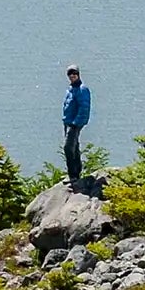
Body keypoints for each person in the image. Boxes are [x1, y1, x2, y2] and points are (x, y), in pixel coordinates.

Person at [61, 64, 93, 193]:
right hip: (68, 122)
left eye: (74, 73)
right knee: (74, 147)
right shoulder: (70, 89)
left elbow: (84, 108)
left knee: (68, 148)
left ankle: (73, 176)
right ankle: (76, 174)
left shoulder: (82, 89)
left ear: (78, 74)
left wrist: (76, 123)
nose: (72, 76)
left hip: (74, 124)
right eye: (70, 74)